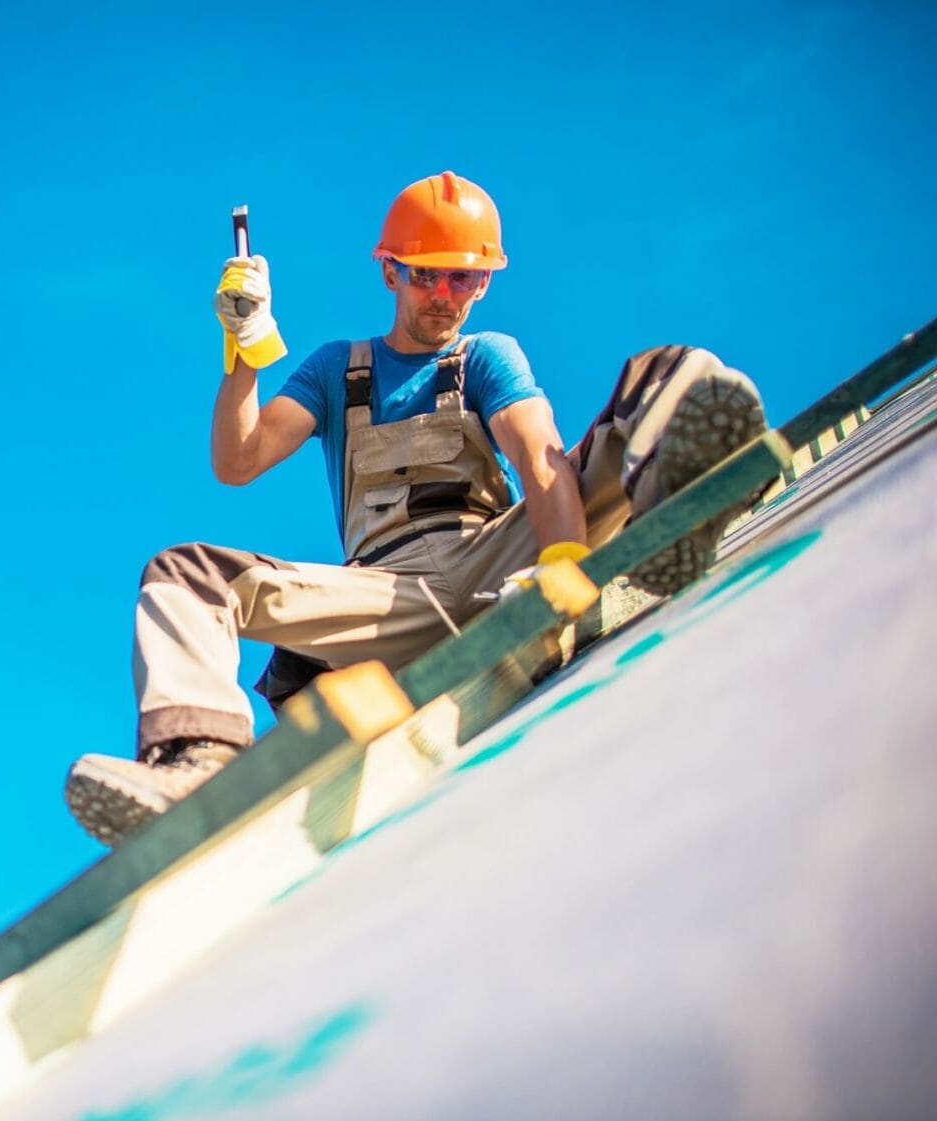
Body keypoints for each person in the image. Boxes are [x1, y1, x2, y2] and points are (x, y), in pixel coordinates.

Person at [63, 170, 769, 846]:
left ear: (486, 282)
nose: (446, 294)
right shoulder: (338, 368)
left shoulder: (485, 356)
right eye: (427, 273)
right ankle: (197, 765)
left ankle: (688, 502)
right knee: (183, 572)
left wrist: (564, 565)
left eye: (466, 276)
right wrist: (243, 348)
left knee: (669, 374)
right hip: (385, 594)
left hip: (498, 556)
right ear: (390, 271)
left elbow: (536, 453)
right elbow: (238, 461)